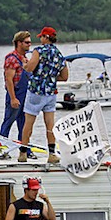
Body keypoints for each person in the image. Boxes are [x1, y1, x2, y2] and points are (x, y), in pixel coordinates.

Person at [18, 27, 68, 164]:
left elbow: (30, 68)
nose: (40, 39)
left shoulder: (38, 51)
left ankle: (23, 153)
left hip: (36, 91)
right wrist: (51, 78)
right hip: (51, 93)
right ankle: (52, 154)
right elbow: (65, 77)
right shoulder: (59, 54)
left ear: (46, 37)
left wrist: (24, 64)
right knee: (50, 125)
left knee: (29, 123)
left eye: (41, 37)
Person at [0, 31, 36, 159]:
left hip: (26, 96)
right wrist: (13, 98)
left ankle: (25, 151)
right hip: (15, 95)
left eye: (30, 42)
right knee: (8, 122)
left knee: (24, 125)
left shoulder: (26, 59)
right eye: (26, 42)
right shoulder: (11, 59)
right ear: (18, 43)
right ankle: (0, 150)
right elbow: (8, 80)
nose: (29, 45)